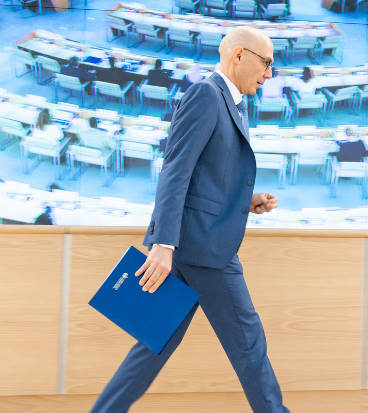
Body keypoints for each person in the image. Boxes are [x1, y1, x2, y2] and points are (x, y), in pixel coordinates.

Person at [91, 27, 288, 413]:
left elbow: (205, 177)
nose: (268, 75)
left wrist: (246, 201)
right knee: (249, 345)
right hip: (202, 249)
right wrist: (163, 244)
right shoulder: (206, 95)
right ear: (238, 56)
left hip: (193, 243)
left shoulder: (229, 102)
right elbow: (176, 170)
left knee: (153, 343)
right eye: (266, 64)